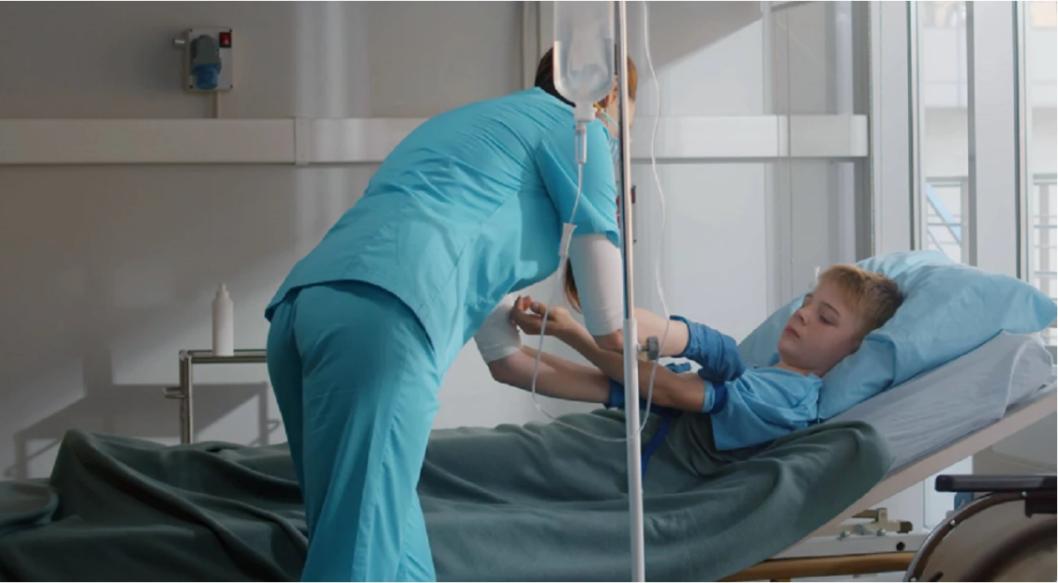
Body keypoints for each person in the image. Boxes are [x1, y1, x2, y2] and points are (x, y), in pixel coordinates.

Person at [264, 50, 660, 582]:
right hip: (381, 325)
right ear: (610, 96)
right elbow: (611, 325)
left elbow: (506, 362)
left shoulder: (479, 130)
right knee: (358, 561)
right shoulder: (583, 129)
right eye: (627, 125)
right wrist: (687, 344)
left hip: (306, 311)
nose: (621, 145)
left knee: (390, 552)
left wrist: (617, 392)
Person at [476, 264, 903, 451]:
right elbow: (620, 384)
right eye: (808, 302)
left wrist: (572, 333)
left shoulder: (792, 398)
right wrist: (529, 345)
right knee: (513, 365)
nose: (804, 315)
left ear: (855, 349)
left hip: (631, 454)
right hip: (626, 418)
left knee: (709, 349)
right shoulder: (755, 370)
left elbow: (670, 391)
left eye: (825, 318)